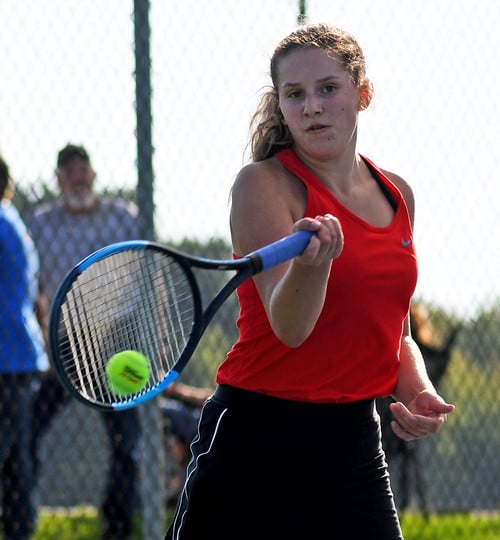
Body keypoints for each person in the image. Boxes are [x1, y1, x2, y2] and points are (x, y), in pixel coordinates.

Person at [165, 23, 455, 540]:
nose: (312, 106)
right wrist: (312, 265)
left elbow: (396, 332)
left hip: (354, 450)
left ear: (362, 95)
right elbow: (289, 328)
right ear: (280, 105)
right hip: (253, 444)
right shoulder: (260, 186)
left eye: (328, 89)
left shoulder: (398, 195)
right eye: (294, 95)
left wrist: (419, 391)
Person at [28, 144, 141, 540]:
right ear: (59, 180)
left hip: (116, 340)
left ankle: (118, 526)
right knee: (27, 428)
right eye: (69, 172)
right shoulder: (41, 224)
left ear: (93, 175)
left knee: (126, 442)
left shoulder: (121, 218)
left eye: (83, 170)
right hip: (63, 344)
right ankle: (19, 517)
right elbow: (34, 287)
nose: (78, 178)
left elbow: (146, 276)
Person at [0, 154, 49, 539]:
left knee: (13, 456)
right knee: (16, 459)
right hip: (18, 356)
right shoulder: (10, 219)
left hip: (8, 358)